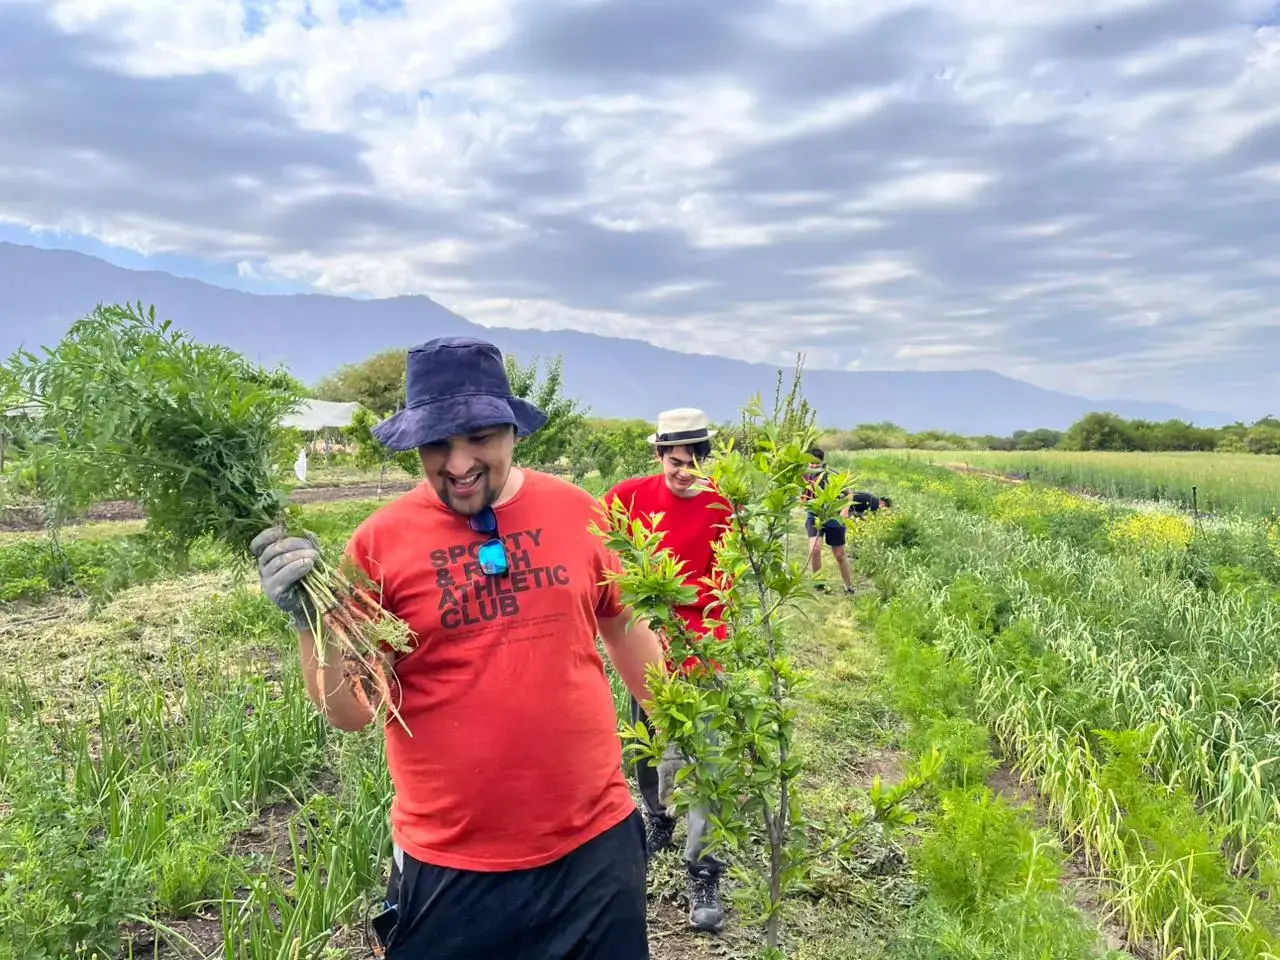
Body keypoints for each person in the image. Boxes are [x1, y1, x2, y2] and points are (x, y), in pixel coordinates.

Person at [251, 336, 668, 960]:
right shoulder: (378, 546)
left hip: (596, 851)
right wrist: (309, 621)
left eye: (479, 437)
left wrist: (695, 737)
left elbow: (632, 640)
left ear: (512, 432)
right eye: (438, 444)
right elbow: (353, 712)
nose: (458, 462)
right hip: (452, 864)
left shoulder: (580, 512)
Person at [604, 407, 731, 935]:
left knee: (705, 760)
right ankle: (657, 818)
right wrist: (639, 626)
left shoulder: (724, 504)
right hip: (643, 642)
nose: (687, 472)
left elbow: (727, 588)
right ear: (658, 454)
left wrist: (700, 642)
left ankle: (704, 870)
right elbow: (605, 561)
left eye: (697, 461)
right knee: (648, 743)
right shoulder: (624, 499)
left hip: (702, 646)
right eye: (677, 461)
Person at [802, 446, 855, 594]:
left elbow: (849, 493)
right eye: (810, 464)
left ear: (822, 462)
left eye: (816, 464)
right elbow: (803, 494)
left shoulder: (831, 475)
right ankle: (818, 583)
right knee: (815, 549)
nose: (813, 467)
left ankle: (848, 586)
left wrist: (845, 511)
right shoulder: (805, 474)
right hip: (814, 514)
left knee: (839, 554)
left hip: (832, 515)